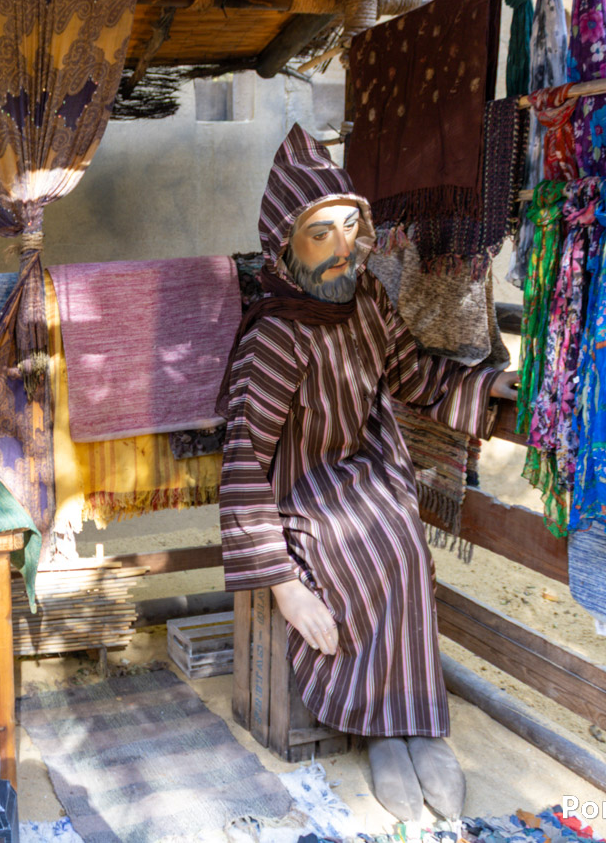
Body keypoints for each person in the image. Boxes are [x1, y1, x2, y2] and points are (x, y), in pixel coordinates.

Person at [217, 125, 517, 820]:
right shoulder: (276, 333)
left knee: (402, 536)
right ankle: (382, 728)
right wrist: (286, 587)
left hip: (362, 469)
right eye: (321, 233)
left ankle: (420, 723)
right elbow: (244, 462)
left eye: (351, 228)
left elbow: (414, 376)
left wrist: (484, 385)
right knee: (359, 545)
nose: (343, 247)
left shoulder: (370, 303)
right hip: (297, 488)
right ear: (285, 244)